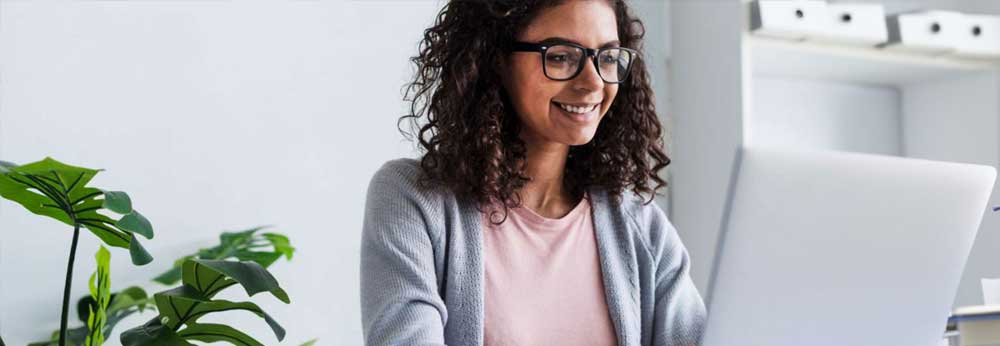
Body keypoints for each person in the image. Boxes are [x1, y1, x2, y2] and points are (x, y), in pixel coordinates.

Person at [360, 0, 706, 345]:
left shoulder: (642, 229)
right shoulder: (413, 201)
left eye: (608, 57)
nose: (593, 82)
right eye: (560, 56)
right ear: (495, 59)